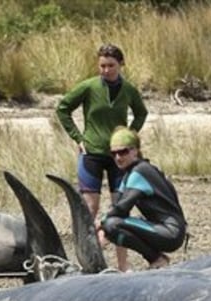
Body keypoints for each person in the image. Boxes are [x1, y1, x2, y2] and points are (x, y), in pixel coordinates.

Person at [56, 44, 148, 271]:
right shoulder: (88, 87)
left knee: (121, 209)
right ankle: (85, 263)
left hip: (119, 156)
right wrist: (78, 137)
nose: (106, 70)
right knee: (89, 209)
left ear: (121, 65)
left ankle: (122, 267)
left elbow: (141, 113)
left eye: (111, 66)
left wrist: (130, 138)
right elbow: (63, 108)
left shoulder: (129, 90)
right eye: (102, 66)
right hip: (92, 154)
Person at [97, 127, 187, 269]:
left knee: (112, 225)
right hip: (163, 229)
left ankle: (157, 259)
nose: (118, 158)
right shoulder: (129, 174)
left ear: (135, 151)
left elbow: (122, 208)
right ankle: (156, 258)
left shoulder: (140, 171)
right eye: (113, 153)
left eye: (123, 152)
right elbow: (116, 205)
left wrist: (103, 227)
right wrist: (103, 226)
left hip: (170, 232)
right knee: (111, 225)